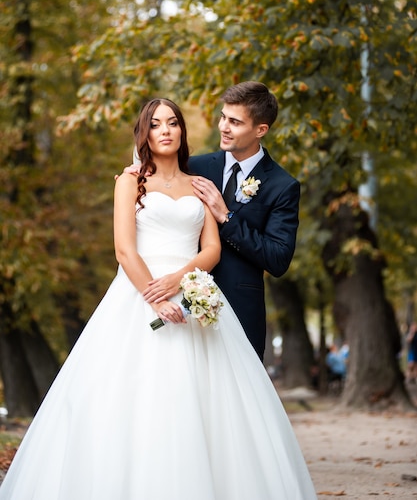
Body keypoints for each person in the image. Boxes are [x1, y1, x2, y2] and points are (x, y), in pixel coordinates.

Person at [0, 98, 317, 500]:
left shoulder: (202, 184)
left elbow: (212, 250)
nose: (165, 130)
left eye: (172, 123)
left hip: (191, 292)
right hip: (138, 296)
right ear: (144, 133)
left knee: (211, 405)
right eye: (155, 124)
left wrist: (179, 281)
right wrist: (155, 296)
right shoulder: (130, 181)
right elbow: (124, 250)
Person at [138, 81, 300, 360]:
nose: (224, 127)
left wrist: (226, 217)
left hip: (238, 308)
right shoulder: (194, 166)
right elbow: (157, 174)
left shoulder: (282, 186)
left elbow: (278, 258)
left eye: (235, 122)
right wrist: (135, 175)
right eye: (223, 117)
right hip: (179, 302)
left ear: (260, 130)